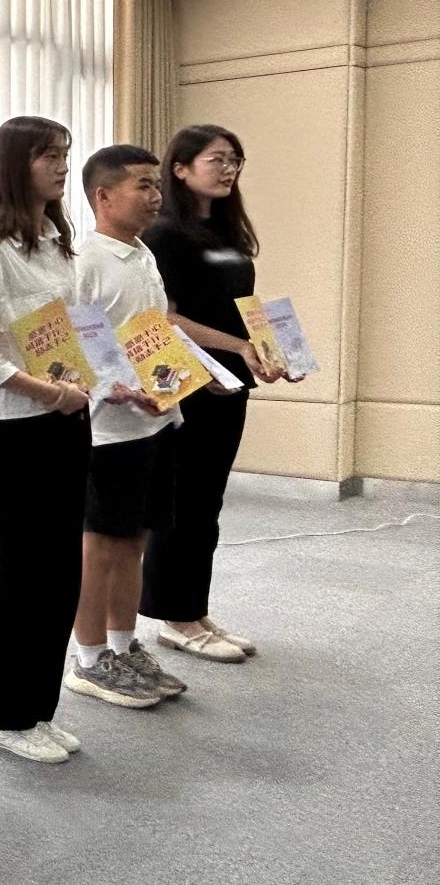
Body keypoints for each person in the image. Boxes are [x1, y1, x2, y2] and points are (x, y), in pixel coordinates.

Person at [0, 115, 92, 764]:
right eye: (47, 156)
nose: (61, 166)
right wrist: (51, 393)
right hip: (16, 425)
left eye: (63, 154)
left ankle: (38, 706)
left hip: (67, 417)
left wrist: (88, 383)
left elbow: (73, 331)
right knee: (18, 568)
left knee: (60, 567)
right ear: (15, 164)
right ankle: (2, 713)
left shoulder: (57, 243)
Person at [140, 125, 284, 663]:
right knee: (182, 501)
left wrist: (270, 349)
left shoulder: (226, 232)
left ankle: (193, 609)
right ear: (180, 169)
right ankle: (174, 616)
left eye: (235, 160)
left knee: (207, 501)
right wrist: (238, 347)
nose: (229, 169)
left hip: (232, 381)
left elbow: (243, 306)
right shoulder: (163, 236)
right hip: (190, 382)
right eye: (217, 159)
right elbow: (166, 317)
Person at [65, 145, 192, 711]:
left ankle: (122, 645)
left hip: (156, 422)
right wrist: (114, 391)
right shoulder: (85, 261)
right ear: (103, 196)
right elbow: (75, 349)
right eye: (143, 185)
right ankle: (90, 658)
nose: (155, 196)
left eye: (156, 184)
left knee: (136, 540)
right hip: (108, 430)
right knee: (100, 545)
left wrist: (197, 375)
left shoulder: (142, 254)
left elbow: (156, 330)